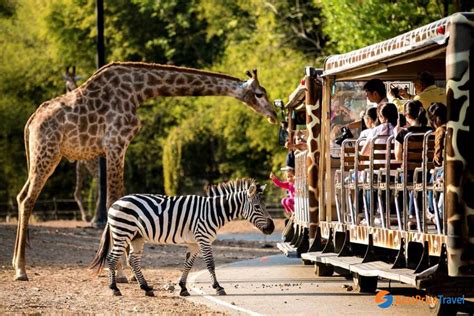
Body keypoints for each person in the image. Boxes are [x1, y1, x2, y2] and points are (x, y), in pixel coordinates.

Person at [427, 102, 447, 221]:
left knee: (433, 176)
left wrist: (434, 165)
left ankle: (432, 210)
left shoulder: (441, 130)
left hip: (444, 169)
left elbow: (438, 157)